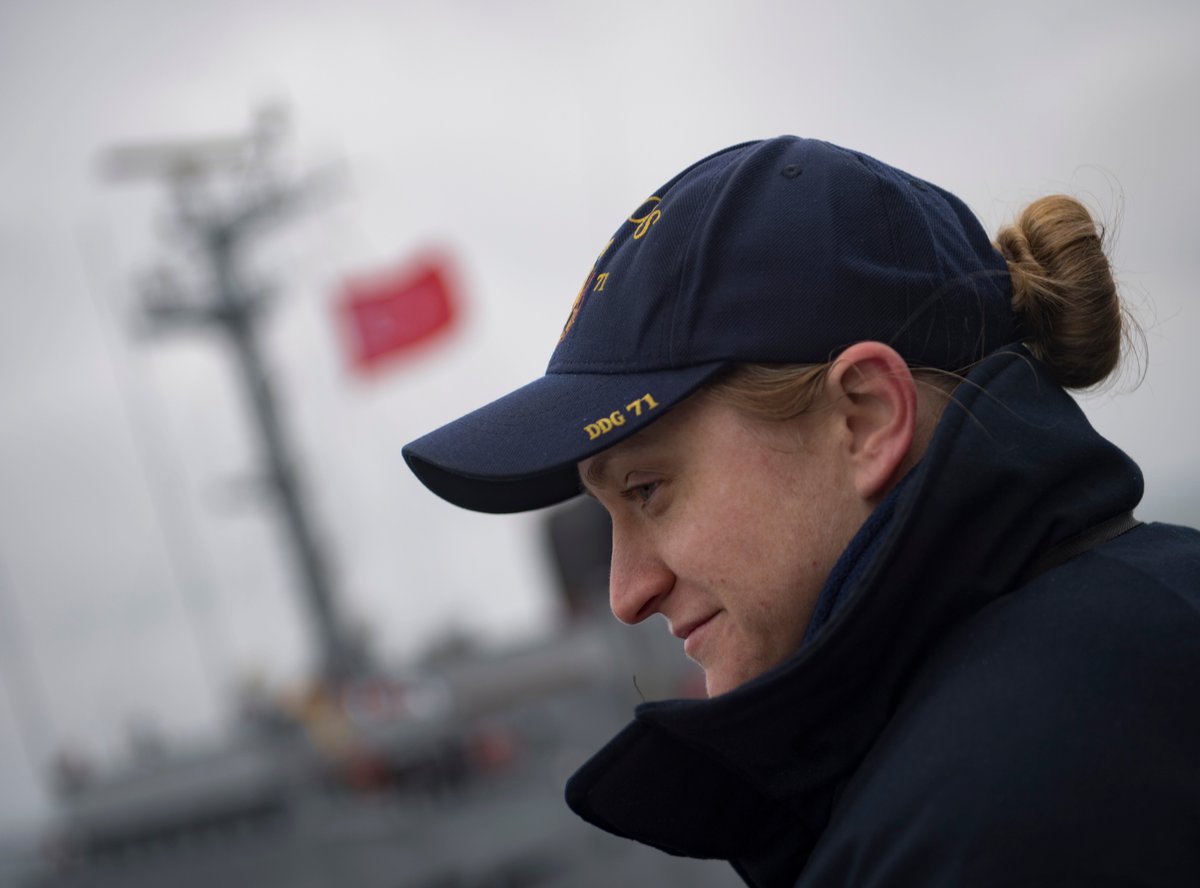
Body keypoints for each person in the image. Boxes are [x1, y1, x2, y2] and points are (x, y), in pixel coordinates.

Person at [403, 137, 1200, 887]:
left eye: (647, 490)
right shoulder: (1155, 620)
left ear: (867, 418)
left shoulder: (964, 840)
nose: (625, 591)